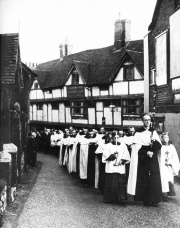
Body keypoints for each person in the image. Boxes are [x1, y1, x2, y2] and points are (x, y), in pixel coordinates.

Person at [127, 113, 162, 207]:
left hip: (152, 157)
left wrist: (154, 144)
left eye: (149, 120)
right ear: (142, 121)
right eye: (145, 120)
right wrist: (146, 152)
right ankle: (145, 199)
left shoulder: (153, 132)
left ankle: (155, 199)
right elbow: (136, 147)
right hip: (143, 158)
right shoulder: (138, 132)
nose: (147, 121)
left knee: (154, 177)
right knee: (144, 178)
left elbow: (159, 145)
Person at [102, 132, 130, 205]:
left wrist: (122, 160)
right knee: (111, 182)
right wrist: (112, 156)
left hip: (120, 167)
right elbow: (105, 155)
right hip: (111, 167)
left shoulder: (123, 146)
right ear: (112, 138)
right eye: (115, 138)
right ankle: (110, 198)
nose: (116, 139)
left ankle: (121, 198)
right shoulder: (107, 146)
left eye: (118, 138)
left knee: (121, 182)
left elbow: (126, 155)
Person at [159, 132, 180, 202]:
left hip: (170, 166)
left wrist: (171, 163)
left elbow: (175, 156)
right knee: (163, 179)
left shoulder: (171, 146)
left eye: (167, 137)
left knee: (169, 179)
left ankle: (169, 192)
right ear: (162, 138)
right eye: (164, 137)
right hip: (162, 166)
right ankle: (164, 194)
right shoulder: (160, 147)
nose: (166, 139)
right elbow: (158, 156)